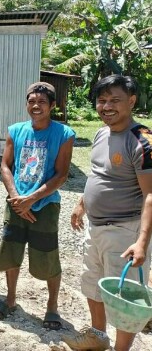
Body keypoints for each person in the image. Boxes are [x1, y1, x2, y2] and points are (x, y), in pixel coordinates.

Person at [63, 75, 152, 351]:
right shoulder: (102, 133)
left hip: (125, 231)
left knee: (124, 296)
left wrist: (142, 242)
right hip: (95, 227)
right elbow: (99, 174)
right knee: (93, 284)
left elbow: (151, 195)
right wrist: (82, 202)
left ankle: (120, 349)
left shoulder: (142, 140)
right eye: (102, 100)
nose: (107, 106)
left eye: (115, 100)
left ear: (132, 101)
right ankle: (97, 337)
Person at [0, 82, 74, 330]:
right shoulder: (15, 130)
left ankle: (52, 307)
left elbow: (61, 174)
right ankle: (11, 298)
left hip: (45, 205)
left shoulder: (64, 134)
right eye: (31, 101)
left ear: (52, 106)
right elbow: (5, 166)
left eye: (42, 102)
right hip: (16, 203)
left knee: (48, 257)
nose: (36, 106)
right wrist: (17, 197)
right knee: (11, 251)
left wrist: (32, 199)